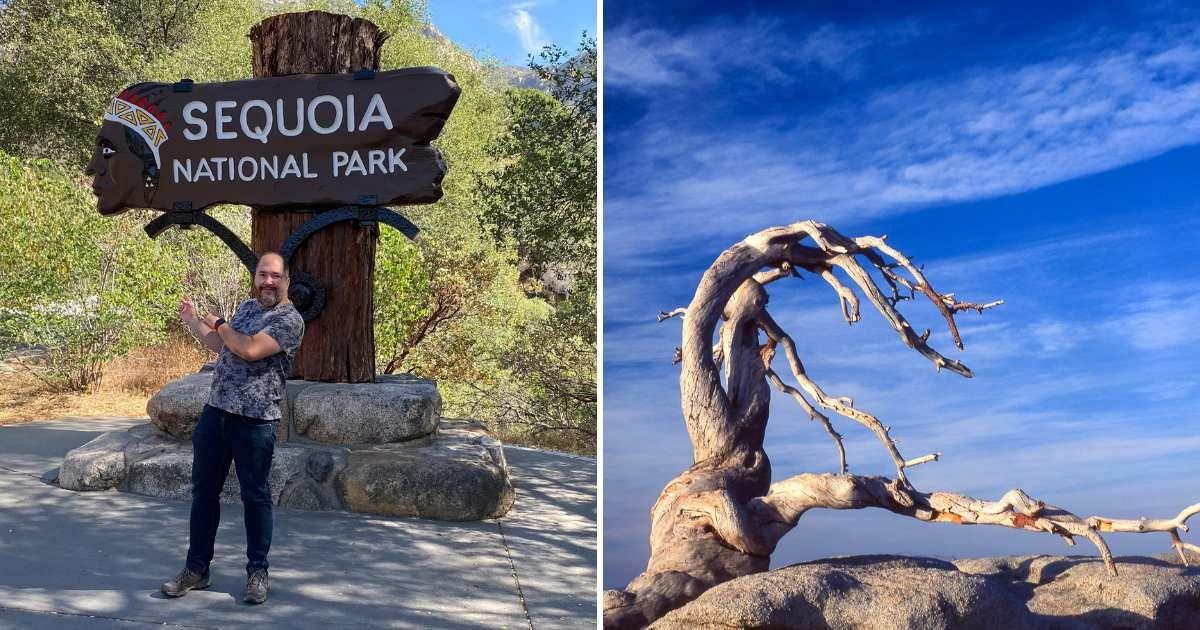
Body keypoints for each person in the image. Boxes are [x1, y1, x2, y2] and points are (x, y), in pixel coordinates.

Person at [161, 251, 305, 604]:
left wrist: (220, 322)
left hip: (256, 421)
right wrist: (195, 322)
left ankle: (257, 572)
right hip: (216, 414)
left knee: (255, 497)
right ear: (255, 277)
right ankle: (197, 569)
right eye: (262, 274)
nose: (268, 281)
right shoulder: (247, 307)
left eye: (275, 276)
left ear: (287, 280)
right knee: (203, 493)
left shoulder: (289, 320)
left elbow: (249, 349)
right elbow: (222, 345)